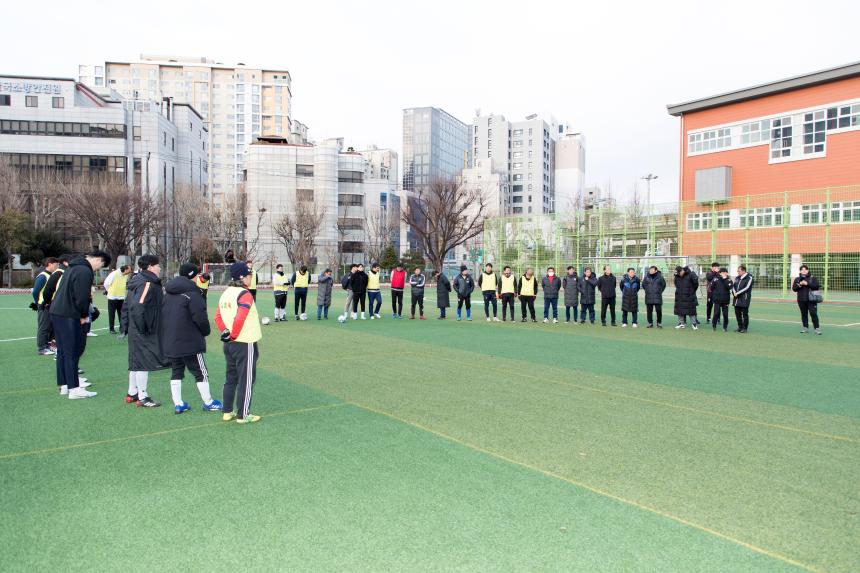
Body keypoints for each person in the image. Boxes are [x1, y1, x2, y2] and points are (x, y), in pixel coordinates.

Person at [161, 263, 223, 414]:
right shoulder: (192, 293)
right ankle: (208, 402)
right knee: (200, 372)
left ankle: (178, 404)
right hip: (189, 340)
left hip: (171, 339)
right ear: (193, 275)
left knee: (176, 371)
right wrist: (205, 331)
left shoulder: (168, 292)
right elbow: (200, 317)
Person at [50, 250, 110, 399]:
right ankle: (74, 389)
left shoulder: (72, 266)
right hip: (70, 314)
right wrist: (84, 315)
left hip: (58, 312)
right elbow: (82, 296)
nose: (98, 269)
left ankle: (65, 385)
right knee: (72, 351)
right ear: (99, 260)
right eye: (101, 266)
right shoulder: (84, 270)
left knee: (63, 351)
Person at [215, 261, 262, 424]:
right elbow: (240, 316)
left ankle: (227, 411)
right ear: (242, 277)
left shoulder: (226, 292)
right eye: (249, 275)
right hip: (244, 342)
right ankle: (243, 414)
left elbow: (218, 317)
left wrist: (225, 333)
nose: (251, 278)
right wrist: (234, 334)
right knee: (247, 379)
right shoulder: (244, 294)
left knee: (231, 377)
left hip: (229, 344)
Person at [122, 254, 167, 407]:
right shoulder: (147, 282)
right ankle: (143, 396)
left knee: (135, 361)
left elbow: (127, 305)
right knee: (143, 362)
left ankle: (132, 392)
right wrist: (143, 327)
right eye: (157, 265)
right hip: (142, 329)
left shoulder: (137, 280)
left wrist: (126, 325)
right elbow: (137, 306)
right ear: (150, 267)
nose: (159, 268)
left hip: (136, 328)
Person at [33, 257, 59, 355]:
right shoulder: (43, 276)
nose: (56, 267)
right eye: (56, 265)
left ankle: (48, 345)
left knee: (50, 327)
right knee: (43, 327)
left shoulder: (52, 275)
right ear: (50, 264)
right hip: (44, 305)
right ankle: (41, 348)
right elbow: (35, 291)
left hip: (51, 305)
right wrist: (38, 303)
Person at [792, 265, 822, 335]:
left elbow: (816, 286)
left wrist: (807, 283)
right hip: (801, 300)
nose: (804, 270)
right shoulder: (797, 279)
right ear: (800, 271)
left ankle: (817, 328)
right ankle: (805, 328)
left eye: (805, 269)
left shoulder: (813, 278)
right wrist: (800, 284)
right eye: (802, 269)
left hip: (811, 300)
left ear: (808, 270)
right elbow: (794, 289)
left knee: (813, 313)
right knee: (804, 314)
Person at [103, 264, 131, 334]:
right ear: (125, 269)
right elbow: (106, 283)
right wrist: (108, 291)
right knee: (111, 314)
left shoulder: (126, 275)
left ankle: (122, 328)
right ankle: (111, 329)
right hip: (112, 297)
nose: (130, 272)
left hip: (121, 297)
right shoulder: (114, 273)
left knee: (122, 314)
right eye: (129, 270)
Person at [673, 265, 700, 330]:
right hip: (679, 295)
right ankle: (681, 324)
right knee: (680, 310)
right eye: (678, 273)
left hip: (689, 296)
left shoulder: (690, 275)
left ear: (682, 271)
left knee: (691, 311)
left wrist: (692, 291)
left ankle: (694, 324)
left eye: (680, 273)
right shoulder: (677, 277)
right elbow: (676, 284)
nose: (679, 274)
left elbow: (696, 284)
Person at [709, 267, 732, 332]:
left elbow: (730, 287)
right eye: (722, 273)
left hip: (725, 300)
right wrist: (715, 295)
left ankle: (725, 327)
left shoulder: (729, 280)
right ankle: (714, 325)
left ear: (727, 273)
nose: (724, 274)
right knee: (716, 313)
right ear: (720, 273)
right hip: (717, 300)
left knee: (725, 314)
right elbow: (711, 287)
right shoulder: (715, 279)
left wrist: (725, 279)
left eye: (725, 273)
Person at [732, 265, 753, 333]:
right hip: (736, 299)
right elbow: (733, 286)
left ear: (744, 271)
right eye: (737, 271)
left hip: (744, 298)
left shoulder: (749, 277)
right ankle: (740, 327)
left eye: (739, 271)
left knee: (745, 314)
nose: (738, 272)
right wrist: (734, 292)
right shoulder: (737, 277)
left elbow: (747, 287)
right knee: (737, 313)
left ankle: (744, 328)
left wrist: (737, 293)